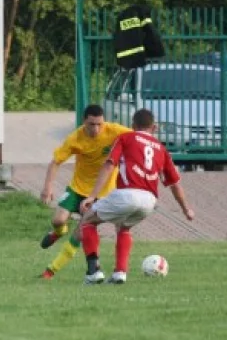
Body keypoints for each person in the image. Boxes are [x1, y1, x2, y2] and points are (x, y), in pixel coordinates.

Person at [75, 108, 195, 284]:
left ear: (132, 126)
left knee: (88, 220)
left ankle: (94, 272)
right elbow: (174, 184)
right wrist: (187, 209)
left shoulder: (125, 138)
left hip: (127, 193)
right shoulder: (161, 149)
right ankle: (120, 273)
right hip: (149, 201)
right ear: (154, 128)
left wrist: (92, 196)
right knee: (123, 228)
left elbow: (109, 166)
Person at [39, 104, 132, 280]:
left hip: (101, 194)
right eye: (91, 124)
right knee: (58, 220)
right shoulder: (75, 138)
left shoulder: (115, 131)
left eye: (99, 124)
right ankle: (58, 232)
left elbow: (138, 138)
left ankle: (50, 270)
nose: (96, 129)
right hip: (77, 188)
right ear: (84, 122)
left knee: (81, 231)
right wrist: (47, 187)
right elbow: (55, 162)